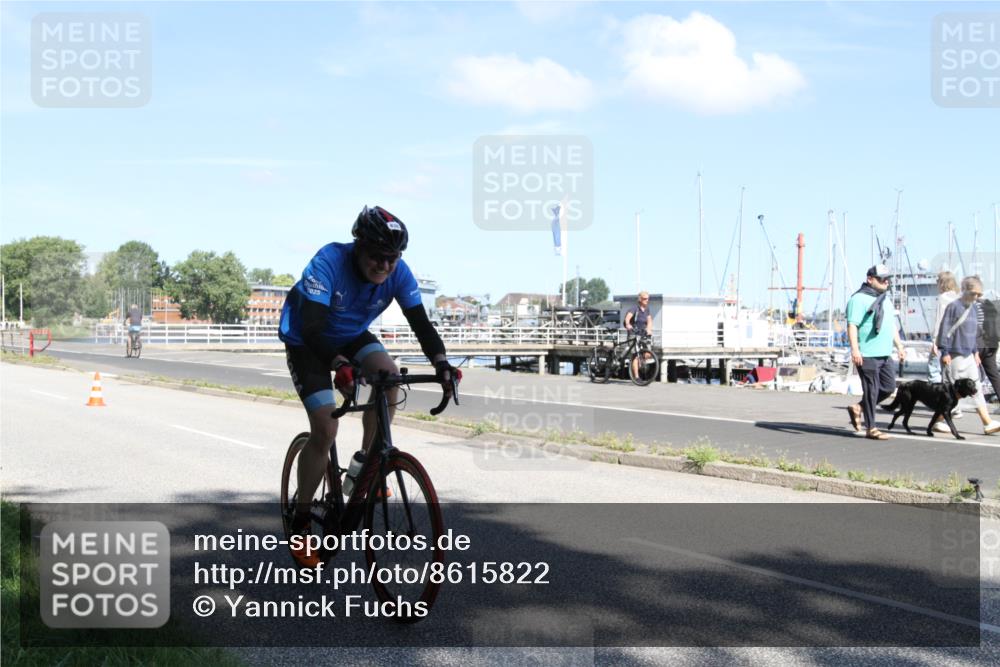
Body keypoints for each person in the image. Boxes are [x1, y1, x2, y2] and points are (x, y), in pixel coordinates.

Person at [278, 205, 458, 567]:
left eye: (392, 258)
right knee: (326, 427)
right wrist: (339, 365)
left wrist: (442, 363)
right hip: (307, 341)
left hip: (351, 335)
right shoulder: (329, 260)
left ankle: (366, 468)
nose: (385, 266)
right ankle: (300, 521)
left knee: (390, 379)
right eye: (377, 256)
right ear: (358, 246)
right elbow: (313, 328)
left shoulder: (399, 273)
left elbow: (421, 324)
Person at [845, 265, 907, 440]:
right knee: (871, 390)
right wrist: (855, 349)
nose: (886, 282)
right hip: (867, 353)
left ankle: (858, 408)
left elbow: (890, 325)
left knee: (888, 388)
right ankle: (871, 428)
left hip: (884, 353)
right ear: (870, 279)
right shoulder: (858, 299)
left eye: (887, 279)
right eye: (882, 279)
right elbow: (852, 325)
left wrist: (899, 346)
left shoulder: (884, 299)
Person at [935, 276, 1000, 435]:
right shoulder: (953, 307)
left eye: (979, 294)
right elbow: (944, 330)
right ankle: (938, 420)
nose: (977, 297)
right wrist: (944, 351)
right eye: (974, 293)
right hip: (954, 354)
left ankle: (987, 423)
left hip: (968, 355)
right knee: (953, 391)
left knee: (975, 387)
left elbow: (972, 333)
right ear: (965, 290)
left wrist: (975, 352)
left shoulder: (971, 307)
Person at [929, 271, 960, 384]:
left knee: (934, 369)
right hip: (957, 341)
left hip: (943, 339)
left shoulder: (942, 298)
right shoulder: (959, 298)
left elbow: (940, 321)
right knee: (951, 371)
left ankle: (935, 396)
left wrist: (935, 342)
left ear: (942, 283)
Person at [978, 293, 1000, 411]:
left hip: (978, 344)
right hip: (992, 343)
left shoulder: (973, 305)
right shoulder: (989, 304)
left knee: (971, 375)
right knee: (994, 375)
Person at [624, 291, 651, 379]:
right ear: (640, 299)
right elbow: (627, 318)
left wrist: (649, 329)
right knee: (635, 355)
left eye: (648, 299)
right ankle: (636, 377)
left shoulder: (647, 310)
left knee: (648, 353)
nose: (647, 300)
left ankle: (640, 359)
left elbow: (649, 321)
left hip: (642, 334)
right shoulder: (634, 308)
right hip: (633, 333)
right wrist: (628, 324)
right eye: (644, 299)